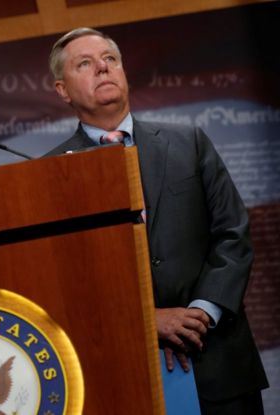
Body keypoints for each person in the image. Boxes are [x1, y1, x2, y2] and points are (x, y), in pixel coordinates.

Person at [47, 27, 268, 414]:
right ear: (62, 90)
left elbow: (233, 233)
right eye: (85, 63)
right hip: (125, 370)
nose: (102, 68)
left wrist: (202, 312)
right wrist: (142, 319)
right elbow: (62, 276)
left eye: (110, 59)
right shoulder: (49, 173)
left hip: (217, 360)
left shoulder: (189, 142)